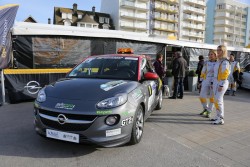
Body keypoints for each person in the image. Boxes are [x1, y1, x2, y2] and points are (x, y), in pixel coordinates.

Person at [211, 45, 230, 125]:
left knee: (218, 100)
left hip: (221, 82)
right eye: (217, 50)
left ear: (223, 51)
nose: (218, 51)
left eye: (220, 50)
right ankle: (218, 116)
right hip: (216, 82)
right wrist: (213, 83)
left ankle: (221, 118)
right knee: (216, 100)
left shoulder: (225, 61)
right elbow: (215, 73)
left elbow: (225, 73)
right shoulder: (218, 61)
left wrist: (221, 85)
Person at [199, 50, 217, 118]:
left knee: (212, 97)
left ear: (215, 55)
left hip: (214, 81)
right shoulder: (206, 62)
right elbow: (203, 72)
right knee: (201, 96)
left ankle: (209, 111)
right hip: (206, 80)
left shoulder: (218, 63)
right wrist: (200, 81)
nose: (210, 56)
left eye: (211, 54)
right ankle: (205, 108)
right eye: (209, 54)